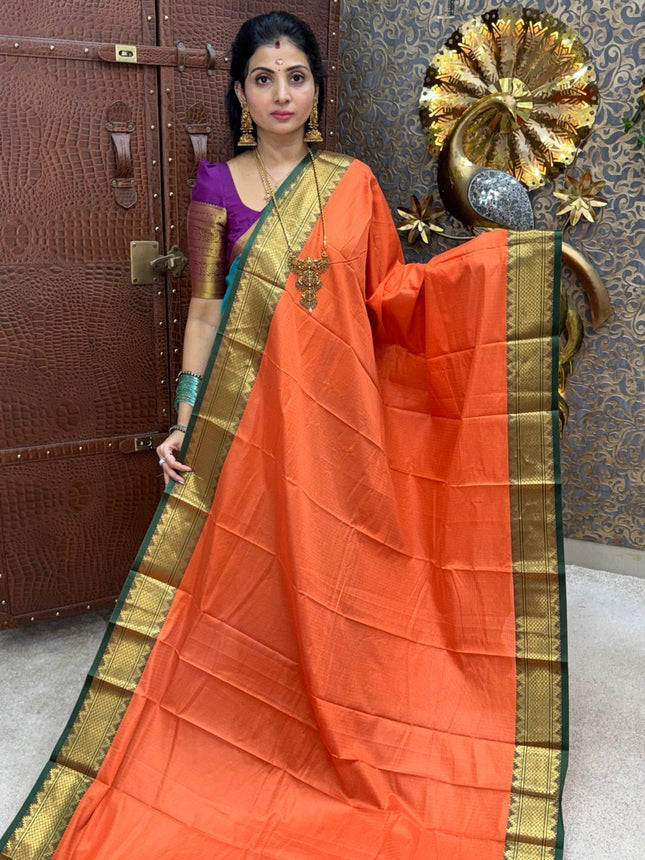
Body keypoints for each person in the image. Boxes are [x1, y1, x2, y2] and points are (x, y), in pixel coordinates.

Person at [0, 12, 568, 860]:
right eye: (262, 78)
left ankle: (346, 708)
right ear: (239, 91)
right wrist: (185, 415)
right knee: (246, 575)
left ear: (315, 91)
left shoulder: (352, 184)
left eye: (295, 77)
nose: (280, 94)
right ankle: (251, 716)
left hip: (338, 422)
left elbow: (392, 299)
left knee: (340, 568)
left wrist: (493, 267)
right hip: (246, 423)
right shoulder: (215, 188)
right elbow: (203, 308)